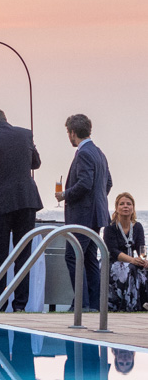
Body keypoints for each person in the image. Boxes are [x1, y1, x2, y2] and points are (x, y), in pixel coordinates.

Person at [0, 106, 43, 312]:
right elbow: (36, 163)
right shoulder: (25, 134)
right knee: (23, 254)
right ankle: (20, 305)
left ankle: (0, 303)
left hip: (0, 202)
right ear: (5, 119)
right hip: (26, 200)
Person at [60, 113, 112, 312]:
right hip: (97, 215)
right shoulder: (99, 153)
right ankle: (94, 304)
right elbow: (108, 183)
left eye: (68, 133)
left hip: (82, 216)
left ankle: (81, 304)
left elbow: (84, 184)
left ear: (73, 132)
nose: (68, 137)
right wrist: (98, 201)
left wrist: (65, 195)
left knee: (73, 256)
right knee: (89, 258)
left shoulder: (83, 153)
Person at [105, 191, 147, 311]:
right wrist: (132, 260)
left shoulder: (137, 227)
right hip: (113, 262)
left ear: (133, 208)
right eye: (122, 204)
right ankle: (129, 305)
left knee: (144, 269)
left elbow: (141, 248)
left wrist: (142, 260)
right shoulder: (110, 227)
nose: (125, 206)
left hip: (131, 261)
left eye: (128, 204)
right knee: (130, 268)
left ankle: (145, 302)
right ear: (116, 208)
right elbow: (113, 251)